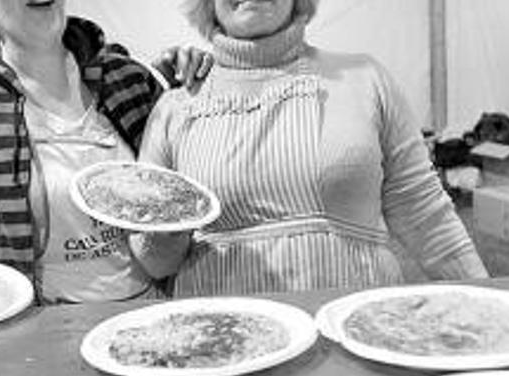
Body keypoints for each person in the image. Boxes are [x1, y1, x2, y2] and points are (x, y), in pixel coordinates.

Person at [137, 0, 489, 296]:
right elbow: (153, 261)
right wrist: (171, 224)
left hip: (355, 336)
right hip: (223, 350)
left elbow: (424, 213)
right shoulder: (175, 107)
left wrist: (490, 306)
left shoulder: (365, 79)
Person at [0, 0, 210, 304]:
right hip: (38, 326)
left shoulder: (126, 78)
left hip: (152, 306)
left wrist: (202, 75)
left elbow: (179, 186)